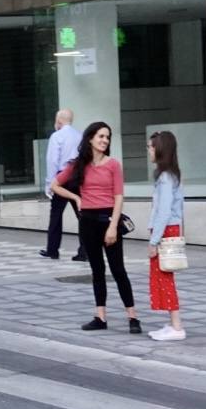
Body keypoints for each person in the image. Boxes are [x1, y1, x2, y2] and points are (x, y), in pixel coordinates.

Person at [51, 122, 140, 334]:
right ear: (90, 138)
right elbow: (54, 185)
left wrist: (112, 227)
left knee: (118, 270)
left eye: (107, 137)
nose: (104, 140)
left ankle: (133, 316)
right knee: (97, 270)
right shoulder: (78, 165)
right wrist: (76, 198)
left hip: (109, 219)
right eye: (101, 136)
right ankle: (100, 316)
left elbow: (119, 197)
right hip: (87, 222)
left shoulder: (113, 165)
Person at [146, 131, 186, 341]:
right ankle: (173, 324)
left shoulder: (165, 178)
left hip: (165, 231)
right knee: (165, 276)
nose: (149, 151)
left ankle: (177, 326)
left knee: (165, 277)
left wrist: (154, 241)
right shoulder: (172, 175)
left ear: (161, 150)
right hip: (170, 229)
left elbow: (163, 211)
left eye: (151, 147)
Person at [40, 109, 86, 261]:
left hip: (62, 177)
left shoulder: (57, 136)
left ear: (58, 121)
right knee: (82, 215)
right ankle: (84, 251)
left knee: (56, 215)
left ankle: (52, 249)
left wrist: (50, 183)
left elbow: (52, 161)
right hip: (77, 176)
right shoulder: (80, 135)